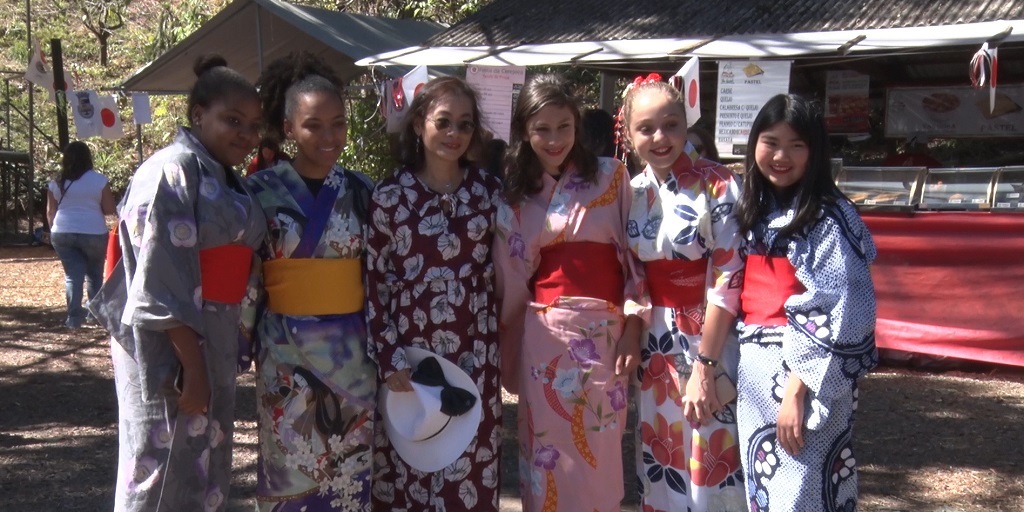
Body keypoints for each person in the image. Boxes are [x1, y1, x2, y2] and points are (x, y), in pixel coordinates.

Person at [87, 54, 265, 512]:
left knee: (206, 468)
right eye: (233, 120)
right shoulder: (171, 170)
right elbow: (159, 274)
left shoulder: (225, 177)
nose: (246, 135)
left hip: (215, 337)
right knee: (158, 468)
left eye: (253, 124)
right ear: (197, 114)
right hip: (172, 346)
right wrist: (194, 365)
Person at [493, 74, 646, 512]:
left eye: (564, 126)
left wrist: (634, 326)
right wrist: (515, 342)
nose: (554, 139)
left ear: (577, 126)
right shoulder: (516, 196)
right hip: (545, 337)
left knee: (599, 454)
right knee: (546, 454)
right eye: (542, 129)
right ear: (524, 130)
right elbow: (512, 280)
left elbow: (635, 260)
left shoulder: (612, 177)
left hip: (605, 335)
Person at [243, 52, 376, 510]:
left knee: (351, 473)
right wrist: (237, 340)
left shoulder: (364, 191)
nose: (328, 136)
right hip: (285, 357)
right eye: (313, 125)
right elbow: (248, 278)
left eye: (337, 124)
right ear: (287, 127)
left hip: (352, 358)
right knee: (290, 468)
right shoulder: (257, 193)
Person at [733, 93, 878, 512]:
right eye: (771, 141)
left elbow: (843, 308)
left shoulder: (830, 215)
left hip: (804, 370)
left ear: (815, 152)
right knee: (767, 487)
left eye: (797, 145)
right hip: (755, 365)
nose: (782, 156)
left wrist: (798, 389)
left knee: (803, 485)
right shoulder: (754, 207)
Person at [365, 76, 503, 511]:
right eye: (443, 122)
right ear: (419, 124)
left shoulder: (490, 193)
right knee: (412, 463)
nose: (453, 134)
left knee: (470, 471)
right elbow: (373, 283)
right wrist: (388, 358)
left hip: (475, 353)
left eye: (464, 124)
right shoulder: (390, 196)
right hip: (410, 355)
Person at [621, 75, 746, 510]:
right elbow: (633, 272)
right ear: (628, 133)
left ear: (687, 125)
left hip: (709, 332)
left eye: (671, 125)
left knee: (712, 448)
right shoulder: (630, 191)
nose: (661, 138)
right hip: (656, 339)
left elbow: (729, 275)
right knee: (661, 454)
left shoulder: (719, 184)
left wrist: (706, 365)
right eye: (647, 128)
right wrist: (633, 333)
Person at [46, 140, 116, 329]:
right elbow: (109, 209)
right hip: (93, 231)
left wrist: (55, 230)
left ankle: (74, 318)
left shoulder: (56, 182)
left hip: (62, 231)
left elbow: (50, 212)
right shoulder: (99, 181)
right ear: (88, 158)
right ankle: (94, 314)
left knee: (72, 275)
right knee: (94, 274)